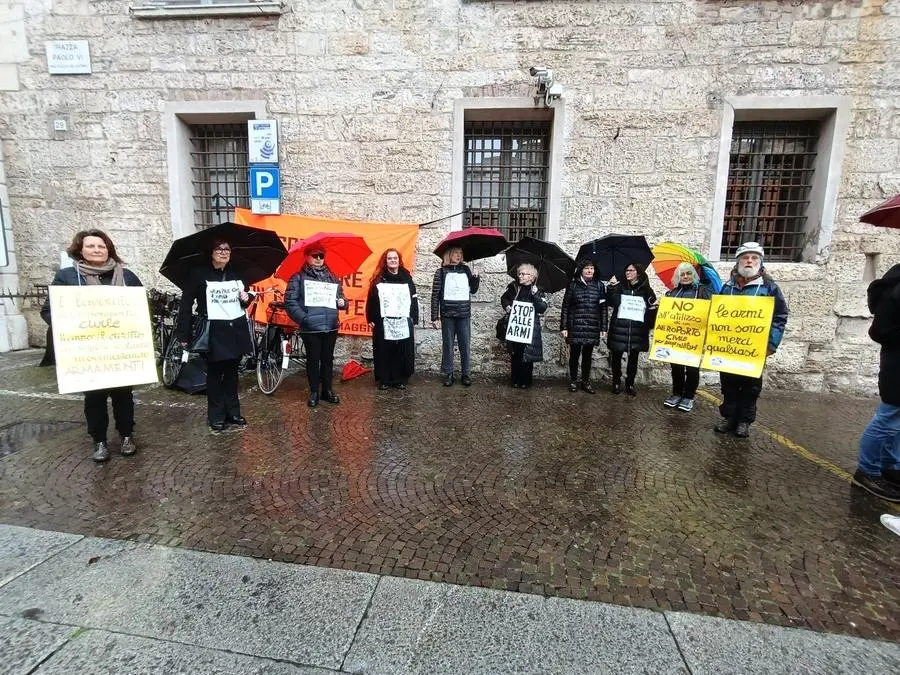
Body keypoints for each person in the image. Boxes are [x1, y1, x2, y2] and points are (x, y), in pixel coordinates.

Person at [41, 229, 143, 462]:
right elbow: (49, 310)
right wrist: (71, 326)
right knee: (95, 398)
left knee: (123, 395)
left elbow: (140, 307)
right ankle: (99, 441)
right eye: (91, 246)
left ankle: (127, 436)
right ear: (80, 250)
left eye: (101, 246)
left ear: (109, 250)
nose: (97, 250)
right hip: (90, 351)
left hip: (120, 348)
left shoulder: (126, 277)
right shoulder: (67, 277)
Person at [176, 238, 253, 433]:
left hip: (234, 329)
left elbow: (245, 298)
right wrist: (183, 333)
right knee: (215, 374)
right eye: (219, 249)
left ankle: (233, 412)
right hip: (212, 331)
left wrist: (247, 298)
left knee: (232, 373)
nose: (223, 252)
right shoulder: (198, 274)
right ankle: (216, 415)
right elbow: (185, 306)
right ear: (210, 252)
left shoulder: (237, 273)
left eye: (227, 249)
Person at [713, 242, 788, 439]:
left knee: (750, 385)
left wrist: (771, 344)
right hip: (728, 346)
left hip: (753, 348)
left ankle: (744, 421)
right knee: (728, 383)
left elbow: (780, 316)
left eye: (754, 258)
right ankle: (729, 417)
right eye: (745, 257)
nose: (749, 261)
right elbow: (717, 315)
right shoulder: (727, 287)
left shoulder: (769, 287)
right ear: (738, 261)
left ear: (760, 262)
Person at [851, 263, 900, 502]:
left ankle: (891, 466)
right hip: (897, 366)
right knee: (888, 418)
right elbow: (879, 330)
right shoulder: (896, 290)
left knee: (897, 421)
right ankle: (868, 470)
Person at [285, 245, 347, 408]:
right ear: (306, 257)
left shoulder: (332, 277)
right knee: (313, 360)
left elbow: (341, 297)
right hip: (311, 327)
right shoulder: (297, 278)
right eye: (315, 256)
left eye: (321, 256)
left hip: (331, 326)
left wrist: (342, 303)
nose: (319, 259)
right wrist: (304, 319)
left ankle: (327, 390)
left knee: (328, 360)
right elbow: (290, 302)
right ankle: (314, 392)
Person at [662, 262, 712, 412]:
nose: (685, 276)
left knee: (691, 369)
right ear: (678, 276)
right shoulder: (672, 293)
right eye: (682, 274)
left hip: (694, 338)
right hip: (676, 337)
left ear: (693, 275)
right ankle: (677, 393)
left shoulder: (702, 291)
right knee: (676, 367)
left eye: (688, 273)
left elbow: (709, 313)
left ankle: (689, 396)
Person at [366, 248, 419, 390]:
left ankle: (399, 379)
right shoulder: (379, 278)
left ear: (399, 260)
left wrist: (414, 316)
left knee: (401, 349)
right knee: (384, 349)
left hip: (402, 320)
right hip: (384, 321)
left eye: (395, 258)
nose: (393, 260)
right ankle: (384, 379)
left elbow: (413, 298)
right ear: (385, 261)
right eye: (390, 258)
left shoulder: (407, 277)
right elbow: (371, 299)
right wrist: (370, 317)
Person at [430, 246, 479, 386]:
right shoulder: (441, 272)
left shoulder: (465, 270)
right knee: (448, 344)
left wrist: (476, 277)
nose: (459, 256)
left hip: (463, 314)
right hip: (447, 314)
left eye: (460, 253)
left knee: (465, 344)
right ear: (449, 255)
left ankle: (466, 373)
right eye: (456, 253)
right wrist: (435, 317)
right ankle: (449, 373)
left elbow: (473, 290)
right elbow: (435, 296)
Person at [606, 263, 657, 396]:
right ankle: (616, 382)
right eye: (626, 270)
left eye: (631, 270)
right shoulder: (620, 286)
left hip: (637, 330)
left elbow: (651, 311)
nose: (628, 272)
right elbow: (613, 303)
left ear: (638, 273)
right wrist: (612, 288)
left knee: (633, 359)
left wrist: (653, 307)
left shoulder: (647, 290)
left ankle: (630, 383)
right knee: (616, 358)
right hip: (619, 329)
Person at [560, 258, 607, 394]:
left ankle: (586, 382)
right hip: (575, 326)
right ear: (581, 270)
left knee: (587, 356)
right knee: (574, 355)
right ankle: (573, 381)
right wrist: (564, 327)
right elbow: (565, 307)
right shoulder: (573, 285)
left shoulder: (599, 286)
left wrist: (604, 327)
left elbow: (603, 308)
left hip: (592, 326)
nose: (589, 270)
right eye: (587, 268)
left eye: (591, 268)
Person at [501, 263, 549, 389]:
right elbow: (504, 298)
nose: (520, 276)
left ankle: (526, 380)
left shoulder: (538, 290)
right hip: (516, 326)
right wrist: (507, 306)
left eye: (523, 274)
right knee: (516, 353)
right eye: (519, 274)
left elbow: (542, 308)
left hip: (530, 328)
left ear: (531, 277)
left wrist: (536, 295)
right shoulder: (514, 287)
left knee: (527, 355)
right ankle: (515, 379)